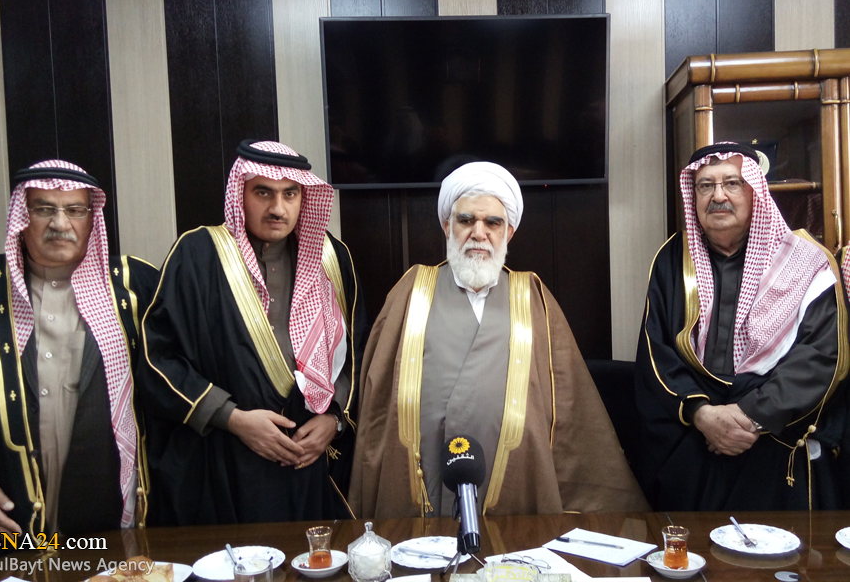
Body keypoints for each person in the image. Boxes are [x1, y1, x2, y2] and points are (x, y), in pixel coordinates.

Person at [348, 162, 647, 517]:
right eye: (466, 220)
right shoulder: (412, 291)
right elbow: (377, 402)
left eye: (493, 223)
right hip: (418, 486)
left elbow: (569, 405)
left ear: (509, 232)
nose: (479, 233)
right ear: (447, 226)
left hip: (515, 489)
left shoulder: (531, 296)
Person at [140, 140, 366, 524]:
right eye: (263, 192)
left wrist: (335, 421)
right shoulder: (197, 255)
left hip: (309, 459)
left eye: (290, 194)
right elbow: (157, 358)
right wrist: (232, 418)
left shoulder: (331, 256)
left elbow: (357, 354)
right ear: (239, 194)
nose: (278, 208)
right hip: (223, 459)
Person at [0, 161, 159, 574]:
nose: (59, 223)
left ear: (91, 218)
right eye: (44, 209)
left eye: (74, 210)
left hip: (108, 511)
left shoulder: (135, 286)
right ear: (22, 218)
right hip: (6, 518)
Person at [634, 142, 849, 511]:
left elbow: (822, 355)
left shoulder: (806, 262)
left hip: (775, 441)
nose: (718, 196)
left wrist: (751, 416)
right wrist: (703, 415)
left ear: (754, 192)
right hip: (697, 440)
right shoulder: (672, 259)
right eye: (705, 186)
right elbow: (656, 354)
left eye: (732, 183)